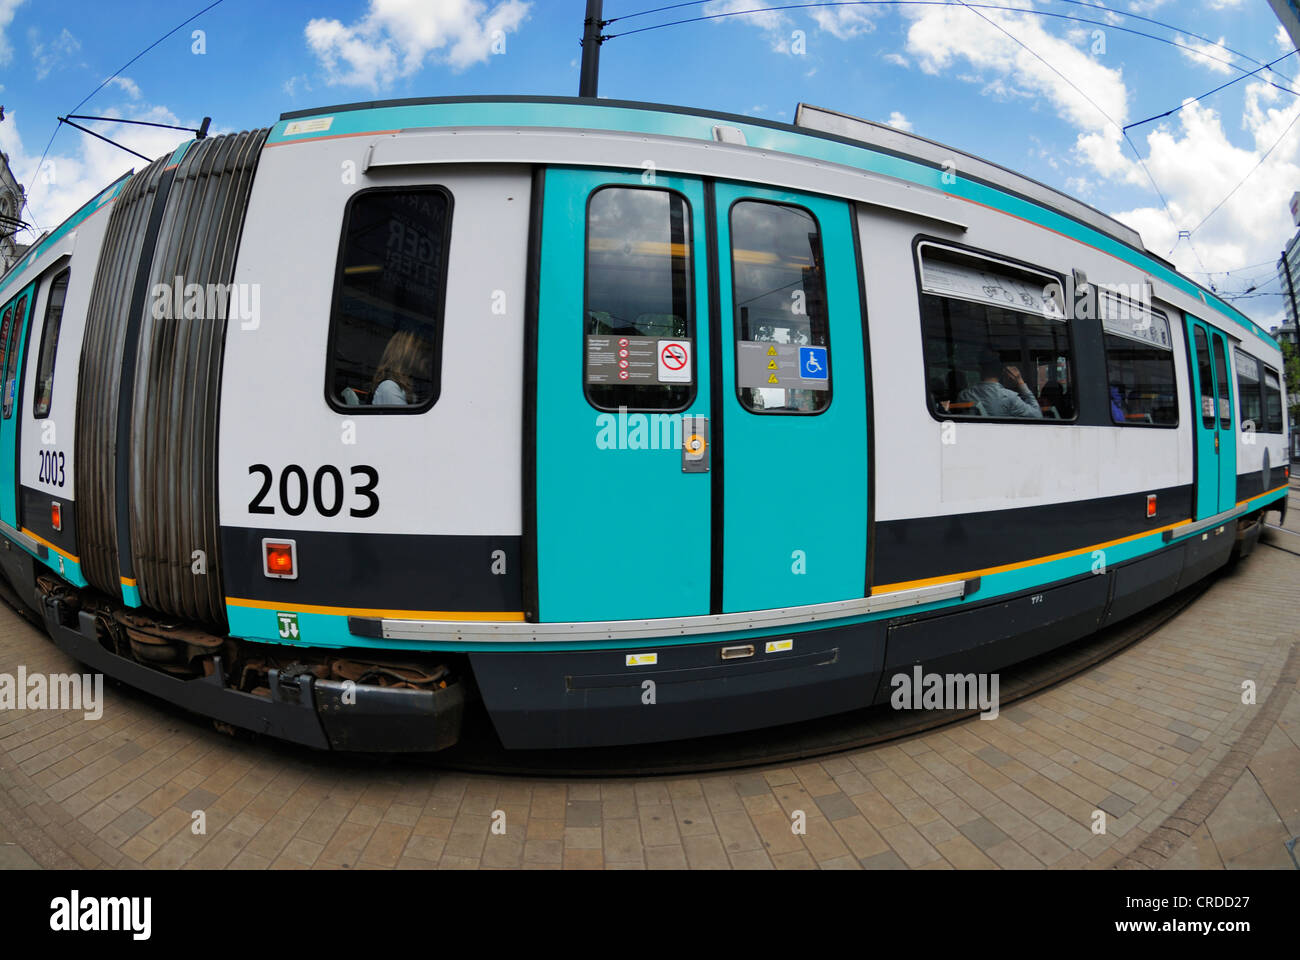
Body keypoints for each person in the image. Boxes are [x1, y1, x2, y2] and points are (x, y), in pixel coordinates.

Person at [959, 353, 1043, 418]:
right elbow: (1038, 415)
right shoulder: (1009, 397)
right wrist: (1020, 381)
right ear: (1002, 373)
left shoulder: (964, 395)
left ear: (980, 371)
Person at [370, 329, 430, 406]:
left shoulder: (414, 385)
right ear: (407, 354)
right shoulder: (389, 387)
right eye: (420, 350)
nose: (425, 356)